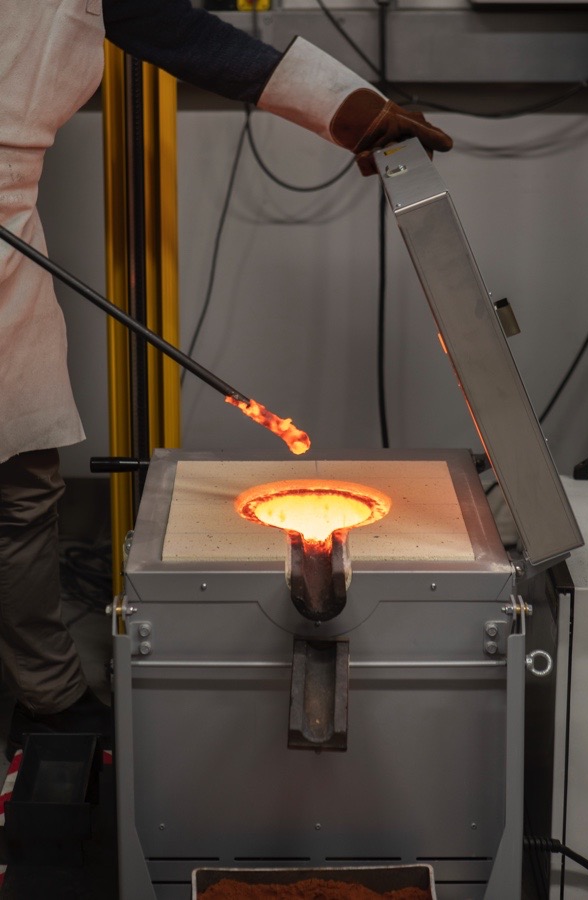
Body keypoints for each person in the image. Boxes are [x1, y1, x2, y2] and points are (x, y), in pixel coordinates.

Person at [0, 0, 452, 759]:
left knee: (19, 493)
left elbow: (189, 38)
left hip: (7, 235)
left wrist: (352, 111)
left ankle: (48, 698)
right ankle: (48, 697)